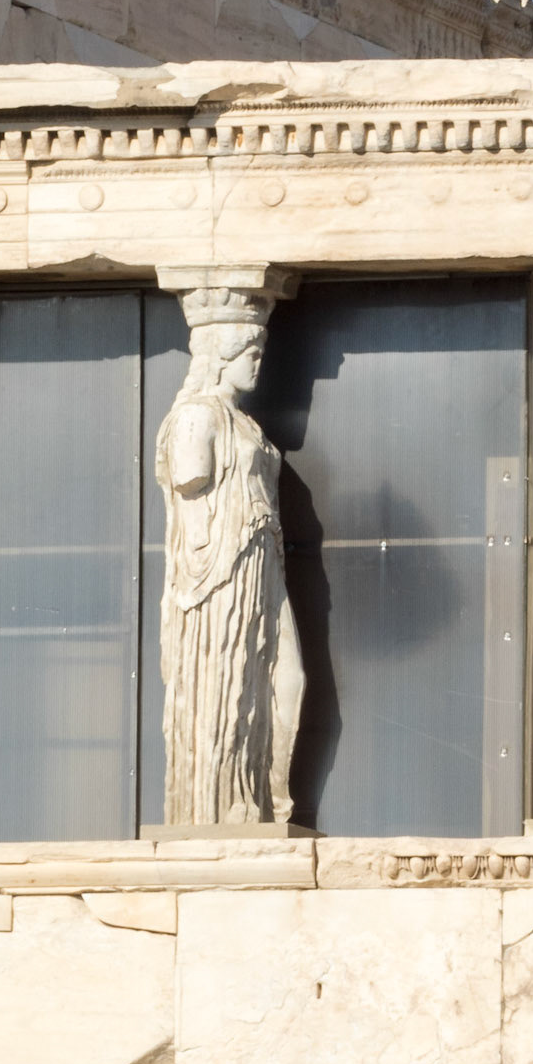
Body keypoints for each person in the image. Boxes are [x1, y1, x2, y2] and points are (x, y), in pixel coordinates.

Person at [155, 288, 304, 826]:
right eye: (251, 353)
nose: (258, 363)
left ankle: (269, 799)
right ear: (220, 354)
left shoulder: (245, 423)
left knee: (288, 679)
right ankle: (224, 805)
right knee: (232, 679)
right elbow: (192, 480)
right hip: (221, 573)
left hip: (261, 565)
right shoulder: (198, 415)